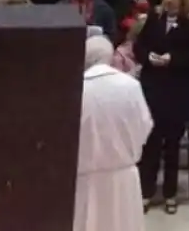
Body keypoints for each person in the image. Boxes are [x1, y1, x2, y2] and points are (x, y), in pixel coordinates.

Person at [73, 36, 153, 231]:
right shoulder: (131, 86)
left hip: (86, 178)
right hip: (124, 177)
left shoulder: (76, 89)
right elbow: (145, 127)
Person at [134, 0, 189, 214]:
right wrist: (148, 57)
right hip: (153, 89)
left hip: (177, 90)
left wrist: (173, 59)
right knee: (150, 144)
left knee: (172, 144)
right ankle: (146, 191)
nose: (169, 0)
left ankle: (170, 192)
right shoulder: (154, 19)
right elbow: (138, 46)